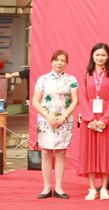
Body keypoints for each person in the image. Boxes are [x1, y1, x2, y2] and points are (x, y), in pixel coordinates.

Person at [31, 49, 78, 199]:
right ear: (51, 62)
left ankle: (58, 187)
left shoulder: (71, 79)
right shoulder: (42, 79)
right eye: (57, 60)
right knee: (46, 153)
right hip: (46, 121)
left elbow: (75, 100)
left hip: (64, 120)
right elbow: (35, 101)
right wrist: (48, 116)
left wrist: (63, 116)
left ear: (66, 63)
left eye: (62, 60)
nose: (59, 63)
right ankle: (46, 187)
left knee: (61, 153)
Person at [78, 43, 109, 200]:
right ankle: (91, 189)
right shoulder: (86, 74)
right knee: (90, 153)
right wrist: (89, 118)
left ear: (108, 56)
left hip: (106, 120)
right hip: (89, 120)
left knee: (105, 153)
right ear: (92, 56)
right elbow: (82, 96)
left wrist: (104, 120)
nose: (100, 58)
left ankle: (104, 188)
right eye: (97, 55)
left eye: (103, 55)